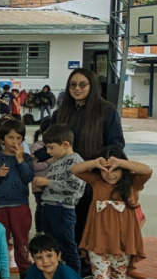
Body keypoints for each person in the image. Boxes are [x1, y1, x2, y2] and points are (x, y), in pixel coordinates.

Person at [54, 68, 126, 258]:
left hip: (94, 179)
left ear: (91, 86)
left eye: (82, 84)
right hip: (65, 178)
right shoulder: (60, 113)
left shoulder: (107, 111)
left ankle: (89, 265)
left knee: (89, 223)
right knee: (66, 222)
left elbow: (116, 144)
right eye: (73, 84)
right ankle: (70, 263)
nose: (77, 89)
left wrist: (101, 165)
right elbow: (49, 142)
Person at [72, 147, 153, 279]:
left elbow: (147, 170)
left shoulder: (133, 184)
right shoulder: (96, 182)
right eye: (105, 170)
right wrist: (95, 163)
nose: (110, 174)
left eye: (115, 169)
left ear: (124, 168)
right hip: (97, 243)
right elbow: (75, 169)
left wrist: (120, 162)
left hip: (122, 244)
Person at [33, 123, 86, 274]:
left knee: (67, 246)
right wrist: (44, 186)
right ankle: (56, 275)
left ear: (65, 144)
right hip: (49, 207)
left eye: (51, 148)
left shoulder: (75, 161)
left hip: (63, 209)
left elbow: (73, 187)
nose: (48, 152)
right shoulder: (56, 161)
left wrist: (48, 182)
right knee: (51, 246)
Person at [0, 119, 34, 278]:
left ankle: (25, 271)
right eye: (11, 138)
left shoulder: (26, 158)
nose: (15, 142)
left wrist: (20, 161)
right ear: (2, 139)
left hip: (20, 205)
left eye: (19, 138)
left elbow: (29, 178)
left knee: (21, 239)